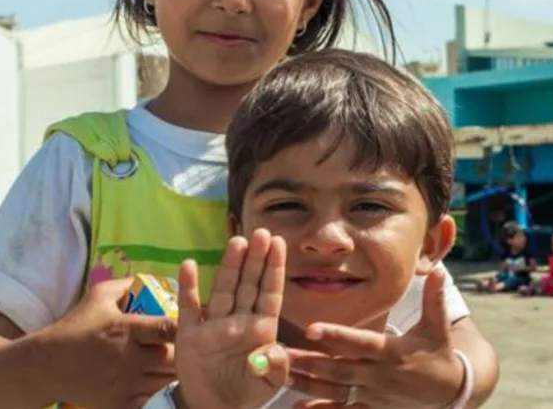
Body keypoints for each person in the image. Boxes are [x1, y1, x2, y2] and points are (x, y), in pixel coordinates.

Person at [0, 0, 497, 409]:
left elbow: (462, 345)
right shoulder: (86, 166)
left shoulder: (358, 152)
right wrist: (56, 363)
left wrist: (451, 382)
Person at [145, 49, 493, 408]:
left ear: (431, 245)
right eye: (287, 206)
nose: (326, 240)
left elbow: (477, 356)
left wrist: (451, 385)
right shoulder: (203, 366)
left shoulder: (422, 373)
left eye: (369, 206)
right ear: (239, 231)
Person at [478, 221, 534, 293]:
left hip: (521, 277)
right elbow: (501, 268)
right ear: (509, 241)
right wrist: (504, 266)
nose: (523, 239)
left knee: (512, 280)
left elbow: (533, 267)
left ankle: (496, 287)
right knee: (500, 276)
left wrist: (521, 268)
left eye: (523, 236)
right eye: (519, 237)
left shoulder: (526, 253)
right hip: (507, 274)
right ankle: (485, 284)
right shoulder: (506, 253)